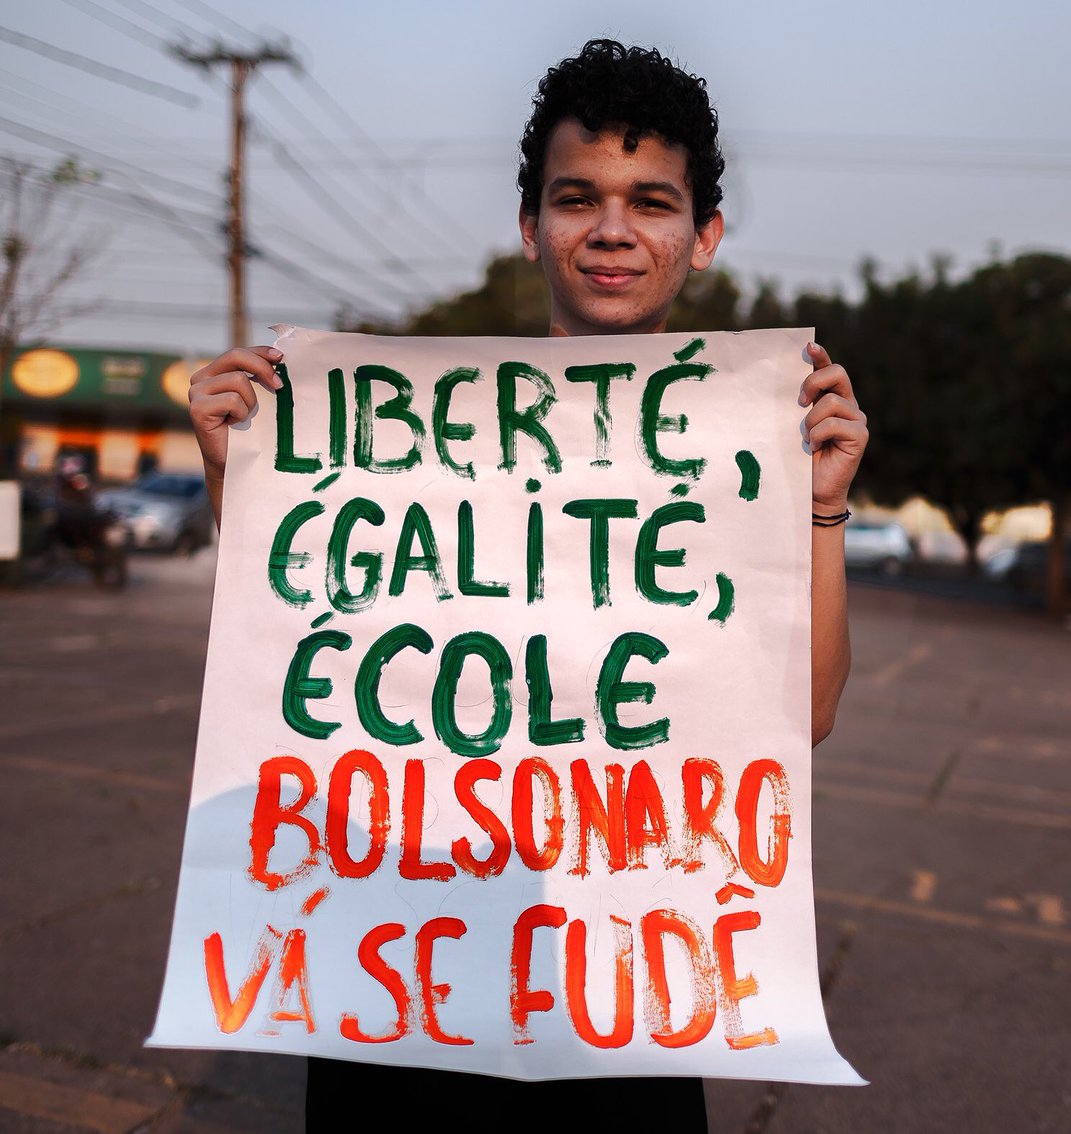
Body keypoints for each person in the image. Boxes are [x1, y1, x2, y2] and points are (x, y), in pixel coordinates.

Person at [188, 38, 867, 1132]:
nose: (611, 230)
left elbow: (808, 715)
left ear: (704, 237)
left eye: (652, 202)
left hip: (624, 1000)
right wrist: (245, 477)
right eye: (576, 198)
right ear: (530, 226)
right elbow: (295, 657)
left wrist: (823, 505)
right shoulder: (408, 429)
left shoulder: (752, 450)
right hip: (396, 986)